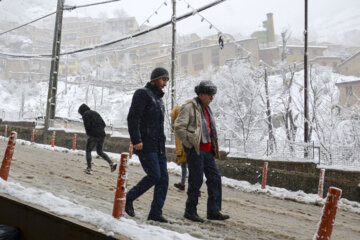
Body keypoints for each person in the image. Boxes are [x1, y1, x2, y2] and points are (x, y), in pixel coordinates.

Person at [175, 80, 230, 223]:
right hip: (196, 150)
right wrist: (190, 143)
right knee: (196, 180)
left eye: (213, 95)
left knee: (215, 179)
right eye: (210, 95)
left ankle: (213, 211)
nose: (212, 98)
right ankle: (190, 211)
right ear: (201, 94)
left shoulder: (207, 108)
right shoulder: (189, 107)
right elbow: (179, 128)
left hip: (208, 151)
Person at [125, 67, 170, 223]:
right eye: (163, 80)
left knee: (164, 179)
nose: (165, 83)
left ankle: (155, 213)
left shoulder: (159, 100)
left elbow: (159, 125)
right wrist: (136, 140)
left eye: (167, 80)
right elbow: (133, 118)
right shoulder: (142, 94)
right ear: (154, 79)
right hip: (146, 145)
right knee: (154, 175)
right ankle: (128, 198)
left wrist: (163, 143)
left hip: (158, 146)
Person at [78, 104, 117, 175]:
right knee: (100, 152)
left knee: (88, 151)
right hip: (102, 134)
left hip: (94, 135)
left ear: (81, 111)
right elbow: (104, 124)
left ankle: (89, 169)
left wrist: (89, 134)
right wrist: (99, 129)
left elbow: (87, 126)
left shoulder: (85, 114)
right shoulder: (95, 113)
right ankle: (111, 163)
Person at [170, 105, 187, 191]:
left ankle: (185, 185)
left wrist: (180, 151)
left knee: (185, 167)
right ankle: (184, 184)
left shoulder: (178, 122)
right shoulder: (184, 120)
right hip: (187, 148)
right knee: (190, 168)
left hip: (184, 149)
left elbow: (179, 139)